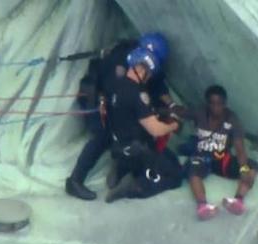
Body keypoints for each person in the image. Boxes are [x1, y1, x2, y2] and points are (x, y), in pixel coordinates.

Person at [66, 33, 184, 200]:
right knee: (102, 136)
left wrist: (170, 105)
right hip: (98, 96)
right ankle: (75, 180)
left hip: (120, 103)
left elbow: (158, 85)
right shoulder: (120, 59)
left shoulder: (138, 65)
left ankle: (123, 166)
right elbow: (153, 127)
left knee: (128, 133)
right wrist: (172, 124)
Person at [105, 47, 184, 203]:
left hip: (119, 145)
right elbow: (155, 130)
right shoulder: (137, 94)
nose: (148, 78)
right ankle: (135, 187)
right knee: (176, 175)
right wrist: (174, 126)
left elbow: (132, 114)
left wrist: (157, 113)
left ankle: (121, 168)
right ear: (142, 70)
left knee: (170, 158)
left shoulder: (118, 85)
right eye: (149, 74)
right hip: (139, 150)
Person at [183, 85, 258, 220]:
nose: (216, 108)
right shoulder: (199, 112)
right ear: (207, 104)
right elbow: (180, 112)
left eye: (220, 104)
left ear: (225, 103)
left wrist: (243, 168)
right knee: (192, 169)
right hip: (201, 157)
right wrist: (166, 109)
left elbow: (239, 148)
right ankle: (202, 206)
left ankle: (238, 200)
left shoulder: (232, 119)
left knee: (252, 166)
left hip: (222, 160)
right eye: (212, 104)